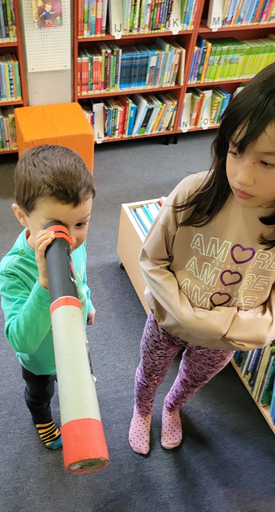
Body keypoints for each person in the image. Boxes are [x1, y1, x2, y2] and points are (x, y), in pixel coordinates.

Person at [129, 62, 275, 455]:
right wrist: (187, 316)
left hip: (223, 340)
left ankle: (173, 408)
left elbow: (269, 323)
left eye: (268, 162)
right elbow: (152, 260)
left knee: (192, 381)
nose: (242, 177)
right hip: (166, 322)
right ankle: (142, 411)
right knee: (149, 373)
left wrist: (224, 326)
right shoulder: (194, 192)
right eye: (236, 151)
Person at [0, 144, 96, 450]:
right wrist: (43, 283)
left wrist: (88, 303)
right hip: (40, 361)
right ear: (22, 216)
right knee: (41, 395)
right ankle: (41, 419)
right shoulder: (12, 270)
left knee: (78, 386)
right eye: (55, 227)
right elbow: (21, 340)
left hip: (75, 346)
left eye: (81, 223)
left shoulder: (75, 247)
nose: (70, 237)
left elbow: (81, 279)